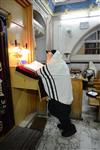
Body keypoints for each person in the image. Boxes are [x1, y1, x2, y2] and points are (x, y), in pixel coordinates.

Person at [37, 49, 77, 137]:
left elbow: (40, 72)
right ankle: (65, 124)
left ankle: (70, 129)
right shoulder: (61, 63)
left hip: (61, 98)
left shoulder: (55, 66)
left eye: (49, 57)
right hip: (64, 95)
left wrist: (37, 69)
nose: (47, 59)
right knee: (59, 111)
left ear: (53, 57)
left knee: (60, 113)